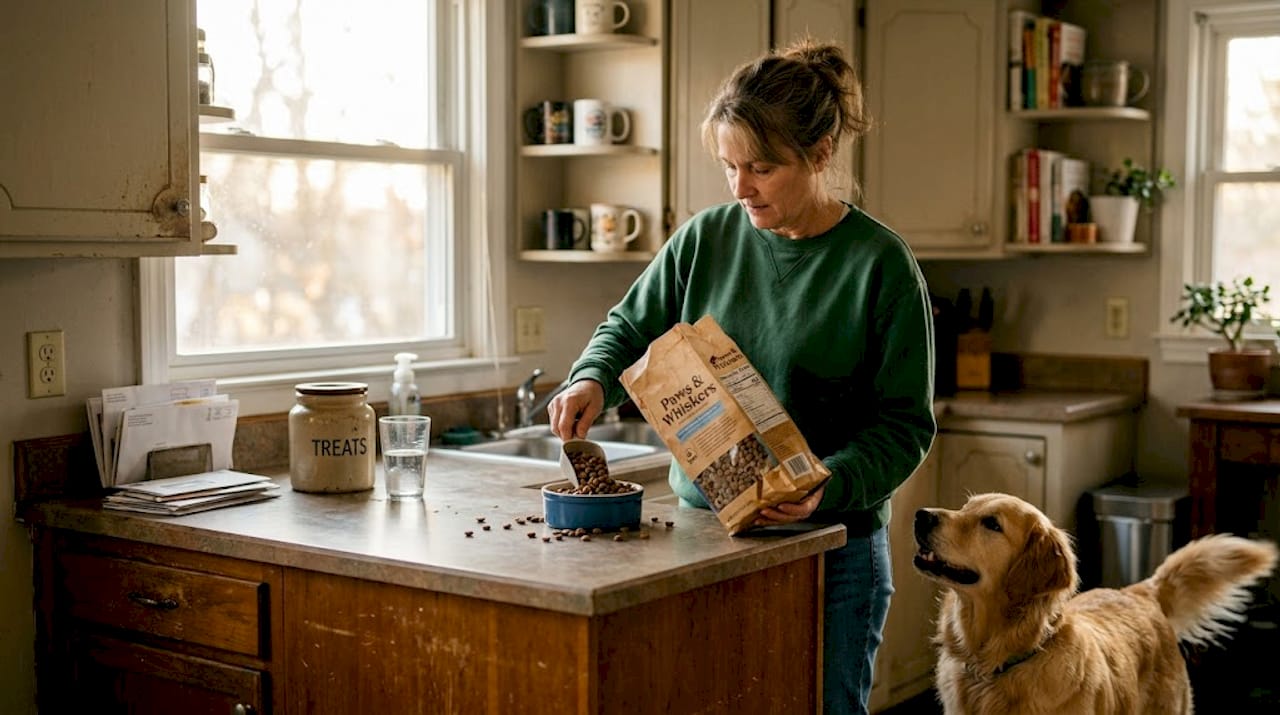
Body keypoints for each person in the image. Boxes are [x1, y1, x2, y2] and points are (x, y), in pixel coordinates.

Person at [547, 38, 936, 715]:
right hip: (706, 540)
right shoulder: (706, 237)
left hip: (832, 550)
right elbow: (628, 326)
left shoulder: (881, 264)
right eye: (729, 165)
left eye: (760, 167)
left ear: (819, 155)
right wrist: (591, 378)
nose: (739, 186)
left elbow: (905, 427)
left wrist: (828, 484)